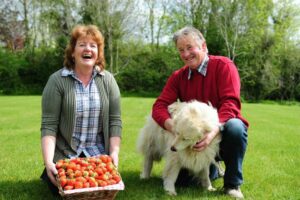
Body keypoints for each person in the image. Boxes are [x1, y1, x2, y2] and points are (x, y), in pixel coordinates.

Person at [152, 26, 248, 199]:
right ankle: (213, 169)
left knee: (235, 127)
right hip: (192, 138)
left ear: (203, 46)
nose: (186, 54)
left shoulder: (224, 66)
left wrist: (213, 132)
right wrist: (174, 127)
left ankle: (232, 184)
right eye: (181, 50)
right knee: (184, 182)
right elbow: (159, 106)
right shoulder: (178, 76)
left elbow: (231, 104)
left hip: (221, 133)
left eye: (190, 47)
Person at [40, 24, 122, 195]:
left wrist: (114, 153)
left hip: (98, 156)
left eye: (93, 45)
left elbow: (115, 121)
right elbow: (49, 125)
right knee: (66, 189)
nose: (88, 49)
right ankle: (49, 174)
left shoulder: (108, 81)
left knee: (101, 190)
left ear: (98, 53)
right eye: (82, 44)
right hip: (66, 155)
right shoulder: (56, 81)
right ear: (72, 51)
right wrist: (48, 162)